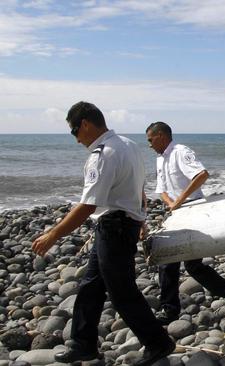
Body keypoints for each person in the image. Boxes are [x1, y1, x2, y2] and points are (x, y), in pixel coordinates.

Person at [32, 102, 175, 366]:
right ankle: (83, 343)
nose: (76, 139)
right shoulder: (128, 145)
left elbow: (88, 205)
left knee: (121, 291)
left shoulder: (103, 153)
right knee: (91, 287)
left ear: (85, 124)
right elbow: (137, 186)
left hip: (114, 228)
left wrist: (53, 234)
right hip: (119, 225)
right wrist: (139, 217)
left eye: (74, 131)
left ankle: (158, 342)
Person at [145, 121, 225, 324]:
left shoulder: (180, 152)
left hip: (194, 210)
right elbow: (162, 189)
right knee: (174, 262)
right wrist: (171, 203)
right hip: (177, 214)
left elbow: (201, 175)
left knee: (187, 264)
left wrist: (180, 201)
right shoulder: (160, 159)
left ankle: (171, 310)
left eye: (151, 140)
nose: (149, 145)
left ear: (161, 135)